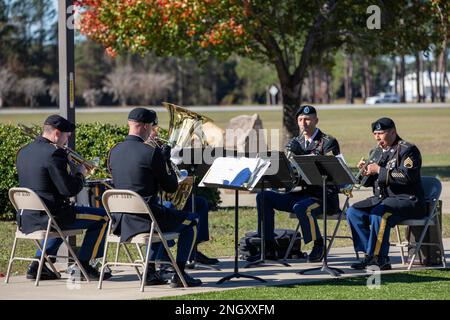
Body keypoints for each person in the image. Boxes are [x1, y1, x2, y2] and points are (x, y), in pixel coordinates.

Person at [107, 107, 202, 287]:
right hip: (146, 220)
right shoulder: (150, 153)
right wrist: (166, 161)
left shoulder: (114, 151)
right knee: (192, 222)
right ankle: (179, 275)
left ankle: (150, 272)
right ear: (144, 127)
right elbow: (171, 187)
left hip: (120, 220)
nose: (152, 130)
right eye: (152, 126)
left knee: (163, 212)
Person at [16, 115, 111, 281]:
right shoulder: (54, 154)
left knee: (59, 221)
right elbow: (69, 190)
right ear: (57, 134)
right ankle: (85, 265)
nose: (67, 141)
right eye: (67, 136)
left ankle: (37, 265)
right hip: (52, 217)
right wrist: (80, 174)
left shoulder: (23, 151)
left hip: (27, 217)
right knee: (103, 217)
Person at [252, 105, 341, 262]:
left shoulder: (328, 143)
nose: (303, 123)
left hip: (324, 197)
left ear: (316, 120)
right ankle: (269, 247)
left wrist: (300, 154)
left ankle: (318, 245)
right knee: (263, 197)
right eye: (300, 120)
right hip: (303, 194)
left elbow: (329, 174)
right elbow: (290, 176)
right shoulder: (295, 142)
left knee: (302, 208)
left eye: (307, 119)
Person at [346, 117, 426, 270]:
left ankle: (380, 259)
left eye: (381, 133)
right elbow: (369, 183)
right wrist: (365, 173)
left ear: (393, 132)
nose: (377, 137)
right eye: (375, 133)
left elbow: (407, 176)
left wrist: (379, 170)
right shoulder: (375, 152)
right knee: (353, 212)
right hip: (383, 199)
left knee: (379, 214)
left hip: (406, 200)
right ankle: (369, 255)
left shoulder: (407, 150)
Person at [148, 126, 219, 266]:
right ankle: (163, 257)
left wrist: (172, 159)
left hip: (165, 198)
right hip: (154, 203)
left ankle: (192, 250)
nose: (156, 134)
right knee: (169, 207)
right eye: (152, 130)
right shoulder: (147, 153)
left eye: (156, 130)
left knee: (199, 203)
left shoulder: (158, 149)